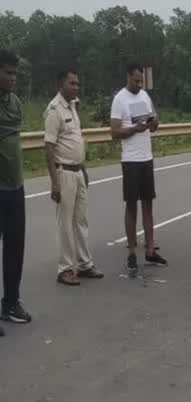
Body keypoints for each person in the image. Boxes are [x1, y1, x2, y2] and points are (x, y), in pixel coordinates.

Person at [44, 70, 103, 286]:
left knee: (81, 220)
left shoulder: (73, 107)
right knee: (65, 223)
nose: (76, 87)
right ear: (61, 84)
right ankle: (66, 268)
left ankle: (85, 263)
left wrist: (84, 170)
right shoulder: (54, 110)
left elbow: (76, 142)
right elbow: (48, 148)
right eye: (72, 83)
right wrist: (54, 182)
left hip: (78, 171)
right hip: (64, 173)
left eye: (78, 83)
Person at [110, 62, 167, 276]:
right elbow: (114, 131)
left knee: (148, 203)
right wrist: (135, 128)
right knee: (132, 205)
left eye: (141, 80)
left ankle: (151, 248)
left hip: (147, 156)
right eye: (135, 80)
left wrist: (153, 123)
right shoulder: (119, 99)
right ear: (127, 77)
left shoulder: (144, 96)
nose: (138, 83)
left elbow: (155, 122)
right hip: (131, 159)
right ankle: (132, 251)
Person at [0, 50, 32, 332]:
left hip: (15, 187)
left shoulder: (15, 103)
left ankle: (10, 302)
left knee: (14, 247)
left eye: (14, 73)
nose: (12, 78)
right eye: (7, 73)